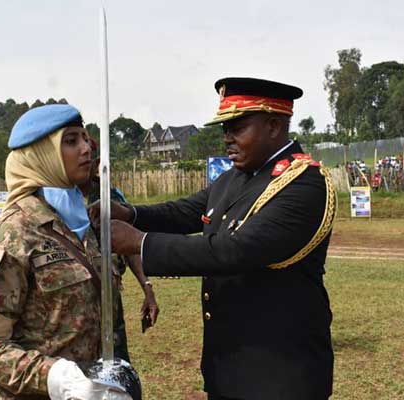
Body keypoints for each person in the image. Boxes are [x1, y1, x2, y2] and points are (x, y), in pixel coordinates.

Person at [106, 77, 337, 399]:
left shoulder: (304, 184)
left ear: (273, 125)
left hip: (280, 372)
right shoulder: (235, 177)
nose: (227, 139)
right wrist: (129, 214)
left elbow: (236, 250)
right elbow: (185, 212)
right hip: (229, 366)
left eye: (237, 127)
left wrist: (140, 243)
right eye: (224, 129)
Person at [0, 104, 133, 400]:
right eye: (71, 141)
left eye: (85, 139)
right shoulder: (9, 235)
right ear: (41, 155)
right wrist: (58, 378)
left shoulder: (83, 224)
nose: (85, 149)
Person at [80, 138, 159, 362]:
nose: (86, 159)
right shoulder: (57, 197)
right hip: (75, 300)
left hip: (109, 293)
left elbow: (130, 246)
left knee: (116, 362)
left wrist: (148, 289)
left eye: (92, 157)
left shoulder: (109, 196)